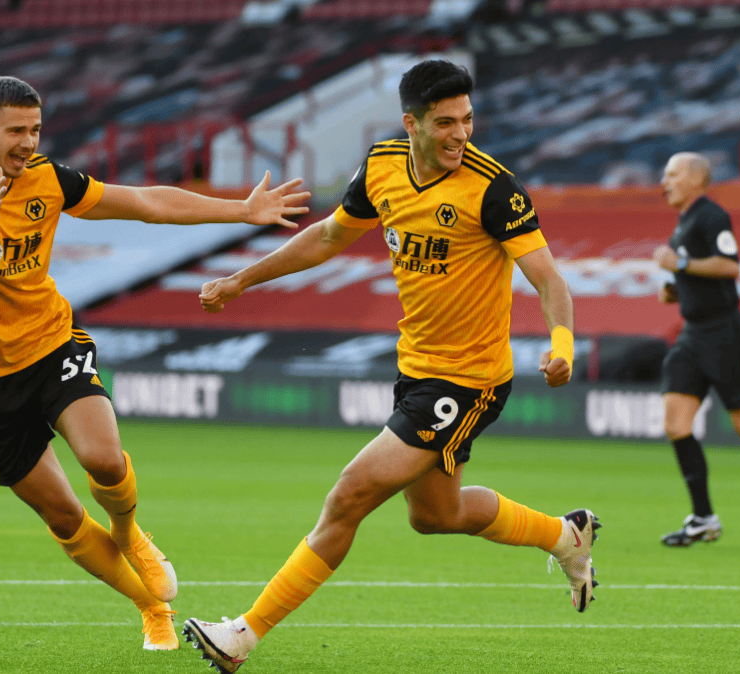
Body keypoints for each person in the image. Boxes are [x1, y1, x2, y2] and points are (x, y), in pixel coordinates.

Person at [182, 60, 601, 673]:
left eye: (467, 119)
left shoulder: (494, 189)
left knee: (349, 494)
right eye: (445, 123)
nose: (461, 134)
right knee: (436, 516)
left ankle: (241, 636)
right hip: (417, 370)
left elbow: (550, 280)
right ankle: (567, 536)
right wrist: (243, 279)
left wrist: (562, 344)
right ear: (412, 124)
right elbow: (329, 237)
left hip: (469, 380)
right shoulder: (382, 166)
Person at [0, 76, 310, 651]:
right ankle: (151, 607)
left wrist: (240, 210)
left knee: (103, 458)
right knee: (62, 516)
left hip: (49, 345)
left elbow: (145, 202)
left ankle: (129, 533)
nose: (28, 142)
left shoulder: (48, 178)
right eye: (16, 131)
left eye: (35, 130)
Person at [653, 152, 740, 550]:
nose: (664, 182)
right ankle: (703, 519)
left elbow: (730, 266)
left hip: (723, 333)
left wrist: (680, 264)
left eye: (671, 174)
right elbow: (700, 276)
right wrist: (678, 291)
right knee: (676, 422)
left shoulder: (712, 216)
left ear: (695, 179)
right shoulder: (684, 221)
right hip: (693, 334)